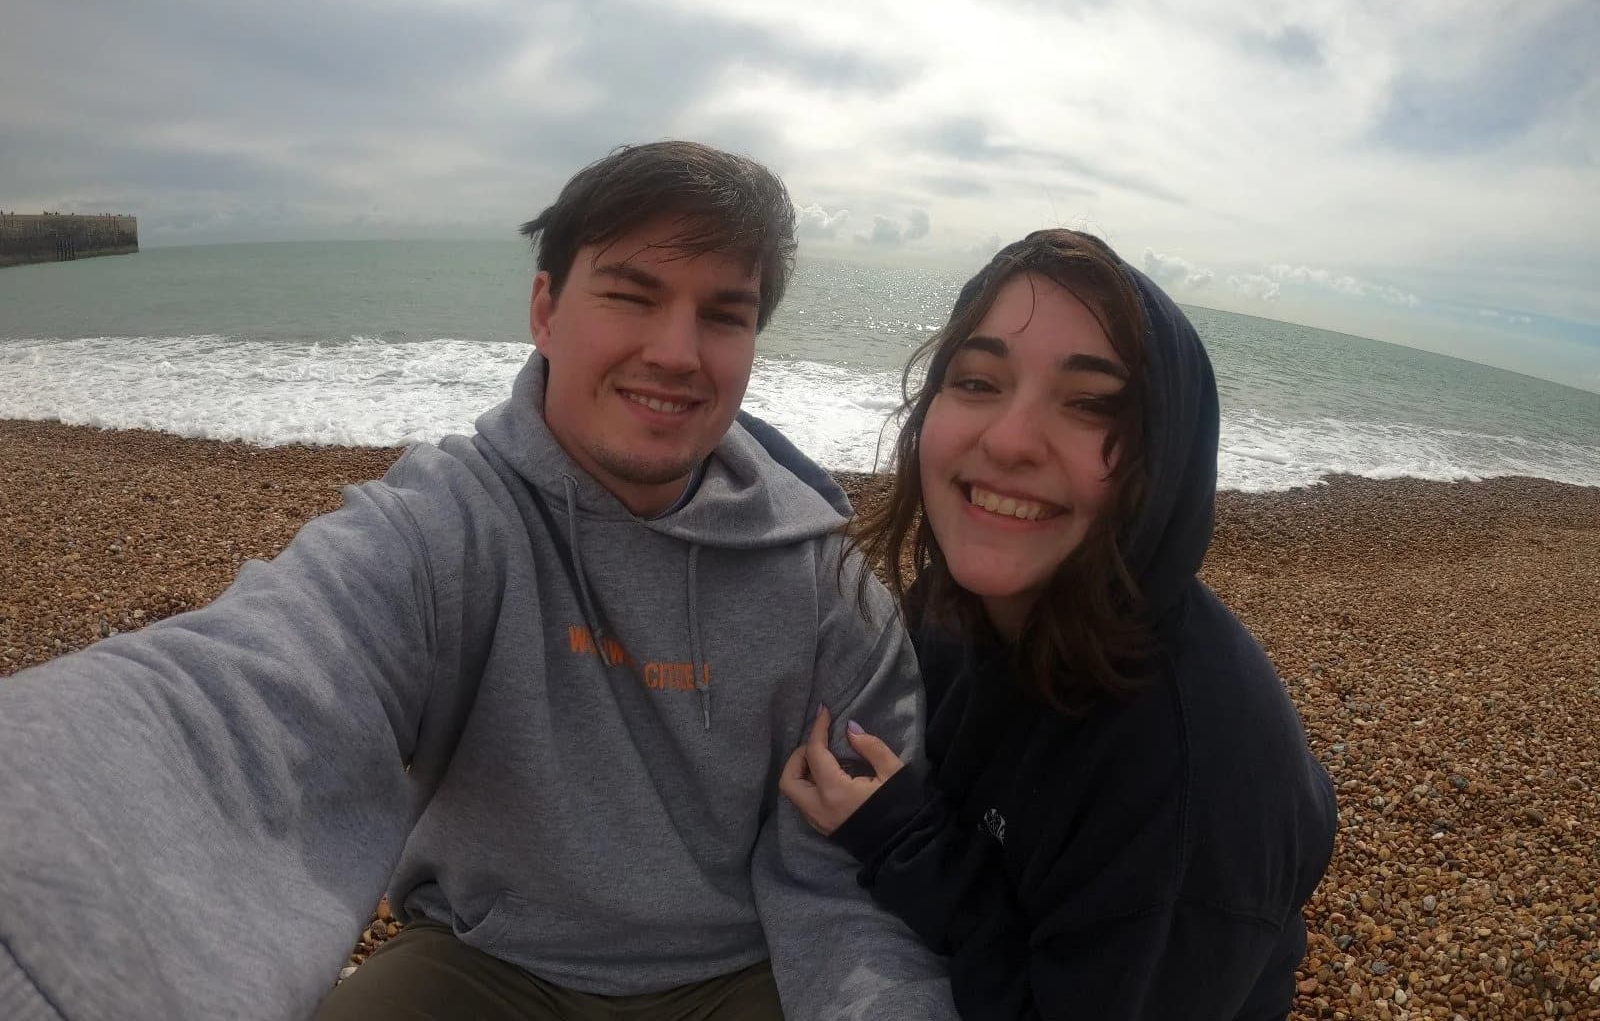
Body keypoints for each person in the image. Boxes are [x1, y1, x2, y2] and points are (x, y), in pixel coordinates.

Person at [0, 141, 956, 1021]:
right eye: (631, 294)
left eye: (723, 314)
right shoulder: (444, 527)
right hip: (489, 962)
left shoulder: (824, 586)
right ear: (545, 309)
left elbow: (843, 889)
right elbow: (242, 698)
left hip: (743, 968)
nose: (676, 350)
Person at [779, 229, 1337, 1019]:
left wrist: (905, 845)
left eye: (1091, 404)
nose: (1007, 441)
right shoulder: (960, 603)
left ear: (1167, 457)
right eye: (976, 381)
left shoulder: (1191, 789)